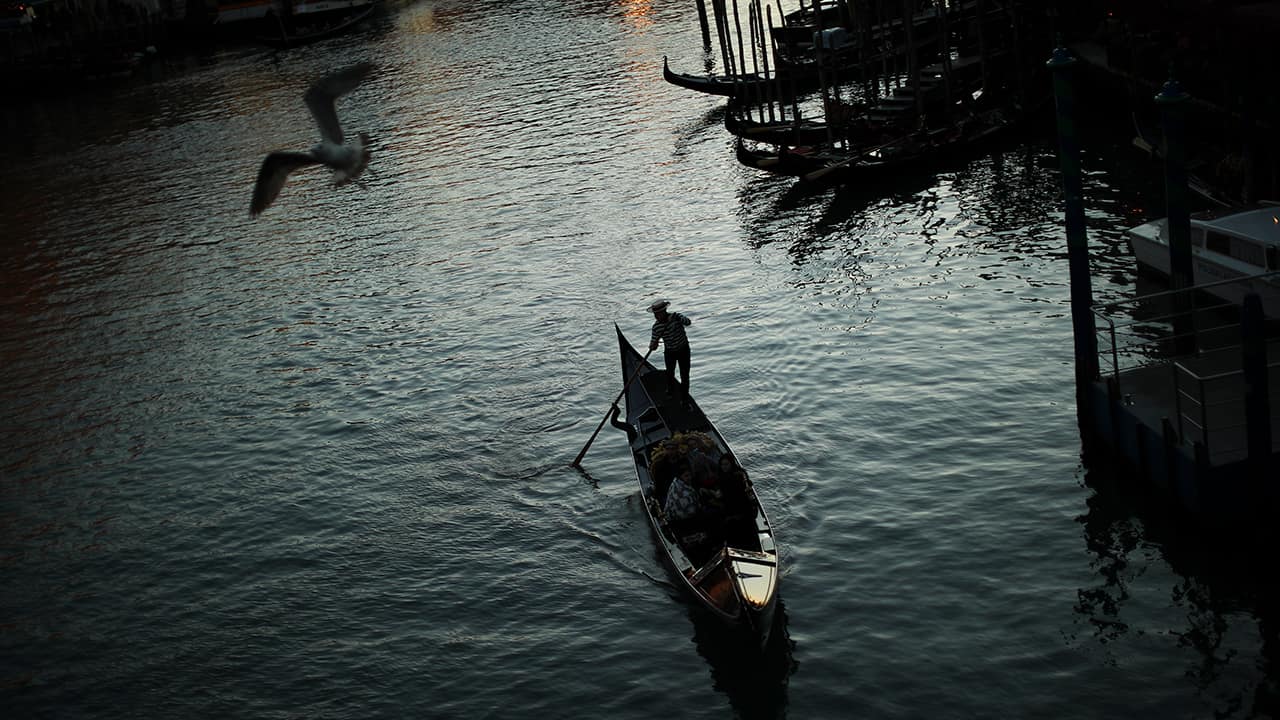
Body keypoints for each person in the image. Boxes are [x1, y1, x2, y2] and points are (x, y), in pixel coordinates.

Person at [647, 299, 692, 407]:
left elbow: (688, 322)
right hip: (670, 352)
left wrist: (679, 318)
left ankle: (684, 399)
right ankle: (671, 391)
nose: (656, 316)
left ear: (664, 311)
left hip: (683, 350)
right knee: (670, 373)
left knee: (684, 376)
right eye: (655, 314)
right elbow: (653, 344)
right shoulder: (656, 327)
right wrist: (653, 345)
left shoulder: (676, 317)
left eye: (658, 314)